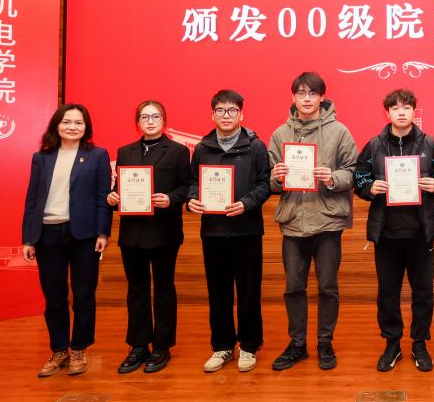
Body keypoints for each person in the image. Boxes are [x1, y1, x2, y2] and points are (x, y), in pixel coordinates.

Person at [354, 88, 434, 372]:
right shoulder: (374, 145)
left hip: (421, 233)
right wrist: (369, 187)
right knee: (388, 293)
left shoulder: (429, 143)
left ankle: (419, 343)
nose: (401, 112)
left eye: (406, 108)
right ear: (387, 113)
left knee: (423, 293)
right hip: (386, 234)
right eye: (395, 108)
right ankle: (392, 343)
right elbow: (358, 177)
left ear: (413, 112)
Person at [267, 72, 358, 371]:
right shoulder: (280, 134)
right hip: (293, 220)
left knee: (328, 287)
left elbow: (353, 171)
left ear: (322, 97)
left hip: (327, 220)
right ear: (293, 97)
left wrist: (332, 178)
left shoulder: (339, 132)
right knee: (293, 287)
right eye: (301, 93)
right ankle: (297, 344)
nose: (306, 99)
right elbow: (270, 180)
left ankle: (324, 342)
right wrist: (277, 178)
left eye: (312, 93)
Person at [21, 103, 111, 377]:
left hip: (84, 235)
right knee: (54, 297)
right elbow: (32, 199)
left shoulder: (97, 155)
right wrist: (28, 238)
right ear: (56, 125)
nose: (73, 127)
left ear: (86, 127)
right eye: (67, 122)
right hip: (47, 234)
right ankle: (59, 349)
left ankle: (79, 348)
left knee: (83, 295)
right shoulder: (42, 158)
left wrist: (103, 232)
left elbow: (102, 197)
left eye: (78, 123)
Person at [188, 89, 271, 373]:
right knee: (218, 292)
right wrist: (192, 199)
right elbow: (193, 182)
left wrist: (247, 204)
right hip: (213, 231)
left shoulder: (255, 146)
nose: (226, 115)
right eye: (221, 110)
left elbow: (264, 183)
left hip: (247, 231)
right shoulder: (203, 148)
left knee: (249, 292)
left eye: (232, 110)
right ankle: (222, 346)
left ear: (241, 114)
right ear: (212, 115)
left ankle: (249, 345)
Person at [107, 100, 191, 374]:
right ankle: (139, 345)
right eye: (145, 117)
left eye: (155, 117)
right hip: (132, 233)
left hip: (164, 231)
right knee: (137, 290)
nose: (150, 121)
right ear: (138, 122)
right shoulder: (125, 151)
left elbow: (186, 187)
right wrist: (113, 197)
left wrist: (171, 199)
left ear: (164, 121)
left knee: (164, 289)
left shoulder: (178, 151)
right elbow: (119, 187)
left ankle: (162, 346)